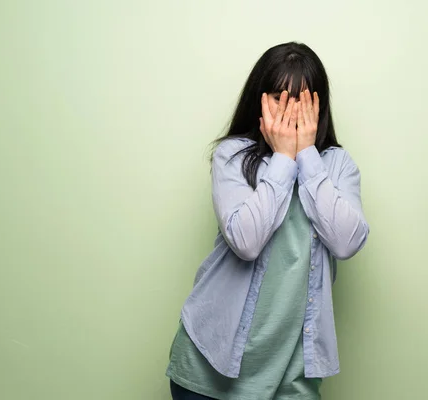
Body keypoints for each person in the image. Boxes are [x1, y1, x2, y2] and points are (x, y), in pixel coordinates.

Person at [165, 41, 370, 400]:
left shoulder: (336, 166)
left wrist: (306, 154)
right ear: (259, 100)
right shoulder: (232, 156)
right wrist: (283, 159)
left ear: (319, 107)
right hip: (210, 368)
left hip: (292, 381)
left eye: (302, 101)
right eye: (279, 98)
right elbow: (246, 242)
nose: (291, 112)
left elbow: (346, 242)